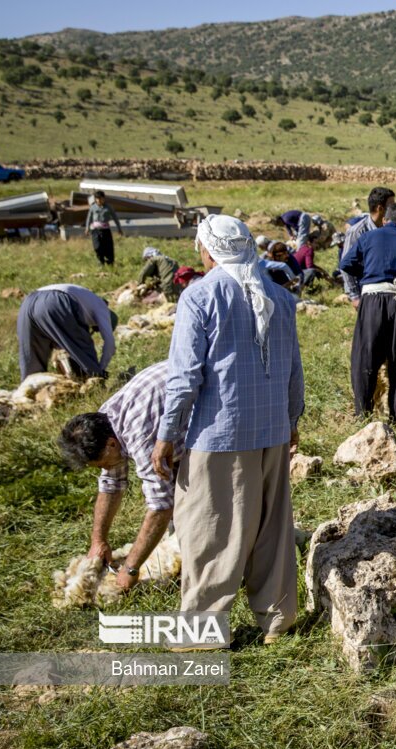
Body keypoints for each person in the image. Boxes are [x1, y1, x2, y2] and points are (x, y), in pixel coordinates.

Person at [152, 214, 304, 647]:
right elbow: (294, 369)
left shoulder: (199, 297)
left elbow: (184, 378)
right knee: (271, 527)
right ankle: (276, 619)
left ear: (209, 250)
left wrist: (167, 434)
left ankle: (203, 630)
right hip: (272, 430)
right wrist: (292, 420)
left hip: (220, 434)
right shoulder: (279, 295)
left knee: (212, 529)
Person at [58, 361, 178, 592]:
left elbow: (161, 506)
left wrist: (131, 568)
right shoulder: (105, 420)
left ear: (112, 445)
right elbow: (111, 482)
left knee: (202, 512)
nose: (106, 468)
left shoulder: (140, 436)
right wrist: (98, 540)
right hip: (174, 407)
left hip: (222, 406)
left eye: (103, 463)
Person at [338, 202, 396, 420]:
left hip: (371, 300)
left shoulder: (368, 237)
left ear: (385, 219)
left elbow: (346, 263)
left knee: (365, 357)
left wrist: (369, 272)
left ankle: (363, 413)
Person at [17, 284, 117, 380]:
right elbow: (110, 344)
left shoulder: (88, 300)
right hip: (56, 300)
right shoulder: (102, 308)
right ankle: (94, 382)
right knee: (84, 348)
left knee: (32, 357)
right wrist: (100, 369)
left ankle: (30, 390)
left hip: (28, 302)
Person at [340, 186, 394, 297]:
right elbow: (346, 265)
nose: (394, 210)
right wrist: (355, 296)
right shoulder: (357, 232)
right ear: (380, 208)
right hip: (366, 291)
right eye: (391, 206)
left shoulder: (391, 230)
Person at [84, 190, 123, 266]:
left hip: (105, 230)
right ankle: (100, 261)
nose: (99, 200)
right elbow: (89, 218)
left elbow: (115, 218)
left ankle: (109, 263)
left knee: (108, 247)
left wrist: (119, 228)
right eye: (97, 199)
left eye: (100, 198)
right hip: (95, 230)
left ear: (104, 198)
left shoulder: (108, 207)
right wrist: (87, 228)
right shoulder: (93, 207)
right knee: (97, 247)